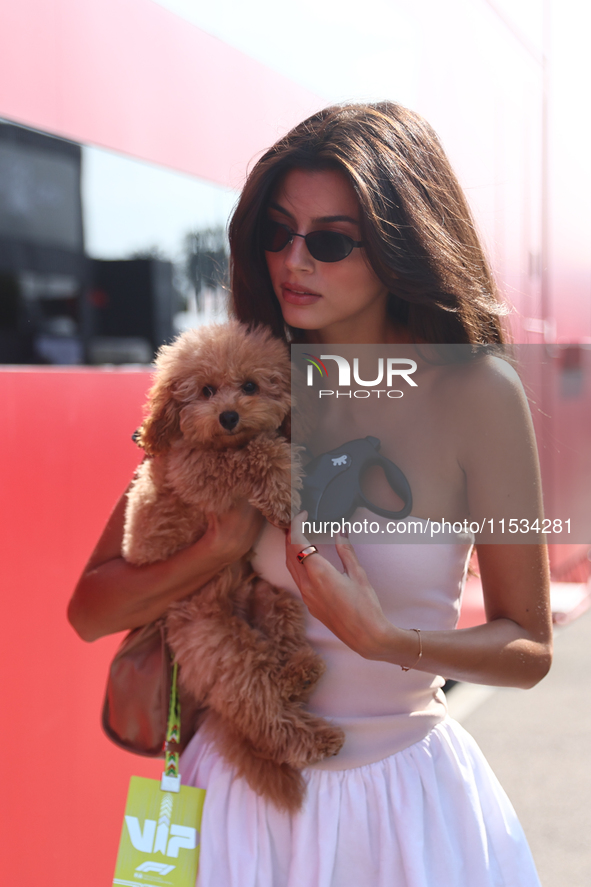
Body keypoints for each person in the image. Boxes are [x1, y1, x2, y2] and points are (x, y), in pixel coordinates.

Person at [69, 102, 552, 886]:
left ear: (399, 247)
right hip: (241, 807)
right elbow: (90, 608)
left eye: (328, 241)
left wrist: (387, 641)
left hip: (406, 811)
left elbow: (528, 647)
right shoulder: (238, 386)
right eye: (276, 232)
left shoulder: (476, 395)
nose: (293, 261)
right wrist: (214, 549)